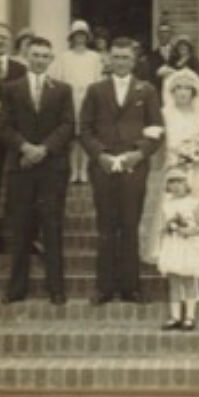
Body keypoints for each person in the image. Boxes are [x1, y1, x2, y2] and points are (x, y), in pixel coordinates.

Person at [80, 37, 164, 304]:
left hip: (133, 167)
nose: (120, 62)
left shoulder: (147, 90)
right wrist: (100, 154)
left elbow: (156, 129)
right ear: (108, 59)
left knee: (130, 225)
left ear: (134, 60)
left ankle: (131, 287)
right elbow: (85, 129)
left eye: (125, 57)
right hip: (103, 166)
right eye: (116, 57)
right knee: (105, 226)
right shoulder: (96, 90)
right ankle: (104, 288)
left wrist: (138, 153)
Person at [0, 37, 75, 305]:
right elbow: (4, 126)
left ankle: (56, 288)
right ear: (26, 56)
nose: (40, 60)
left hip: (52, 168)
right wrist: (25, 148)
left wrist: (43, 149)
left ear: (51, 59)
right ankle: (16, 289)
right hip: (21, 167)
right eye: (36, 55)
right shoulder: (11, 89)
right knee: (21, 229)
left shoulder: (63, 90)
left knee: (52, 227)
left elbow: (68, 125)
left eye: (45, 56)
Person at [145, 68, 199, 299]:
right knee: (178, 218)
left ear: (193, 91)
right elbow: (157, 144)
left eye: (187, 88)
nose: (182, 92)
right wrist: (178, 158)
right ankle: (183, 278)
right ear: (171, 92)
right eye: (177, 88)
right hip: (176, 172)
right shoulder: (164, 115)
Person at [0, 22, 27, 258]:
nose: (0, 41)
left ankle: (22, 239)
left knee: (19, 190)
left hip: (14, 139)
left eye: (4, 38)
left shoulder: (19, 69)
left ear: (10, 43)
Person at [157, 167, 199, 331]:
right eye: (172, 182)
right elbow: (162, 227)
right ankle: (175, 316)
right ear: (167, 186)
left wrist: (189, 231)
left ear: (187, 184)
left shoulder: (193, 203)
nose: (176, 186)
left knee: (188, 281)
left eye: (179, 182)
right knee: (173, 282)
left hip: (188, 246)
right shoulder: (167, 205)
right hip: (173, 245)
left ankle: (189, 316)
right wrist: (168, 227)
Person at [50, 19, 102, 184]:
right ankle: (74, 170)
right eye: (77, 35)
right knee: (72, 136)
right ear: (72, 37)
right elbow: (58, 79)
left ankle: (84, 170)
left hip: (88, 99)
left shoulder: (94, 57)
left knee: (85, 133)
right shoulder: (64, 57)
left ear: (87, 37)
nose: (80, 38)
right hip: (69, 100)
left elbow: (98, 79)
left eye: (83, 35)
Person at [147, 19, 175, 95]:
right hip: (158, 93)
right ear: (157, 35)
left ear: (171, 34)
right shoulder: (152, 55)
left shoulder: (177, 53)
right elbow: (149, 76)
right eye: (161, 32)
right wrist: (158, 74)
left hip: (174, 93)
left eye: (166, 32)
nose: (163, 35)